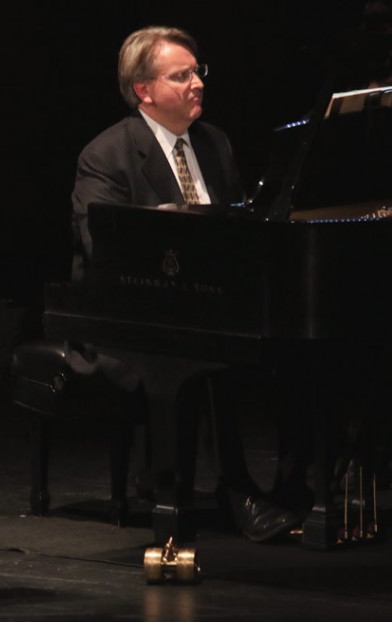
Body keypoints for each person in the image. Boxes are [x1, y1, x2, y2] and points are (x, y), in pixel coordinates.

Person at [69, 26, 307, 542]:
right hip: (129, 317)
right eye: (181, 75)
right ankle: (236, 489)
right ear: (144, 91)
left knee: (299, 345)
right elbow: (102, 247)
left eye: (198, 71)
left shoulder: (214, 143)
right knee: (204, 352)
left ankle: (297, 485)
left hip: (209, 301)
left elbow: (239, 230)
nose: (197, 83)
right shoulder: (106, 154)